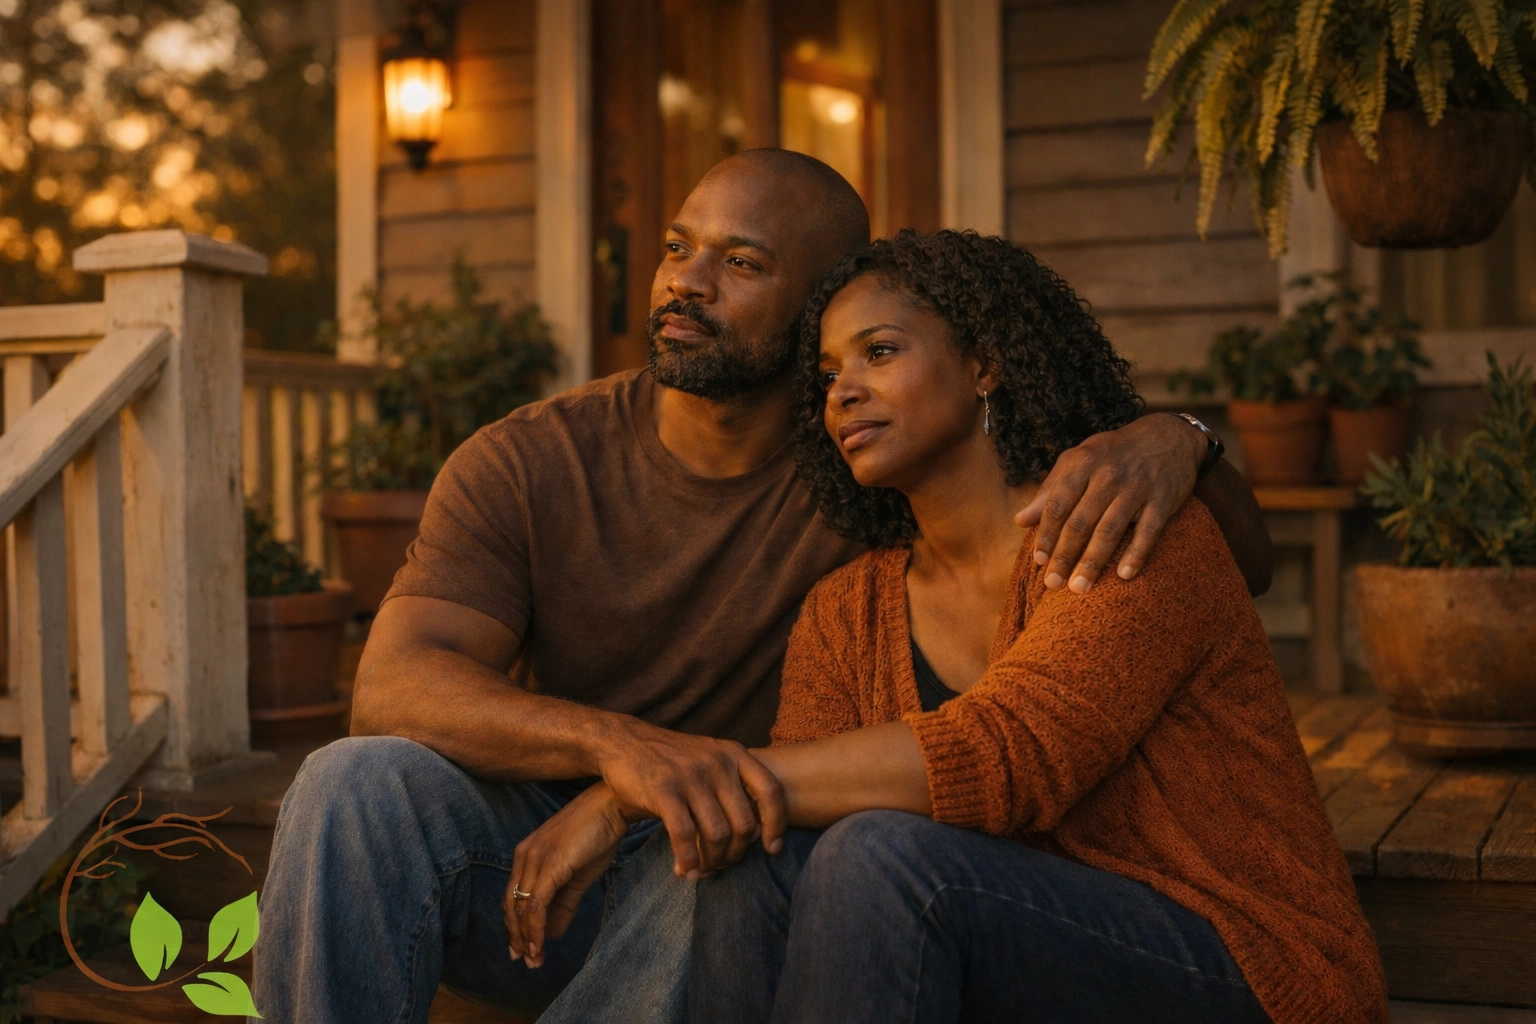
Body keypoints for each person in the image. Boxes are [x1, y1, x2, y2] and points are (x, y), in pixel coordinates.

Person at [250, 152, 1274, 1023]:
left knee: (726, 847)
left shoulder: (873, 473)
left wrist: (1176, 439)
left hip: (731, 872)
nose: (685, 283)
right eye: (676, 248)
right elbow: (390, 688)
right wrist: (622, 751)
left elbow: (1225, 565)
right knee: (354, 782)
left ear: (824, 296)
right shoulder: (528, 460)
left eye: (741, 263)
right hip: (538, 867)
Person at [508, 230, 1386, 1023]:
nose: (844, 392)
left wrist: (634, 786)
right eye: (826, 377)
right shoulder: (847, 610)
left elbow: (1015, 753)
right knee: (761, 854)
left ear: (984, 364)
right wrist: (680, 790)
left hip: (1237, 960)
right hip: (995, 948)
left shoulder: (1126, 527)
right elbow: (792, 819)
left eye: (879, 353)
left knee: (880, 858)